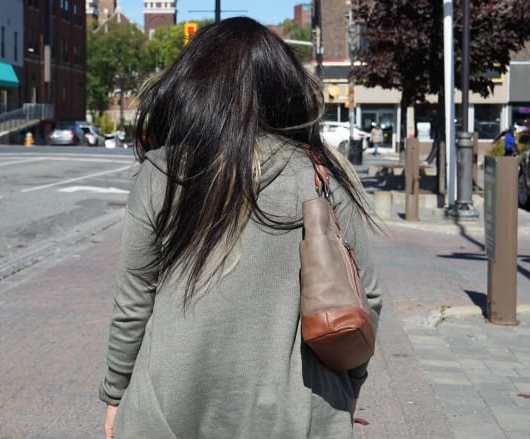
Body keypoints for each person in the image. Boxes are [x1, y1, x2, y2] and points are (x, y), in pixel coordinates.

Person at [99, 17, 383, 439]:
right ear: (283, 87)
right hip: (298, 411)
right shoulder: (321, 175)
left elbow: (134, 300)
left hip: (169, 407)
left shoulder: (165, 172)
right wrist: (351, 383)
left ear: (193, 85)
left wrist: (115, 392)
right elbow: (366, 298)